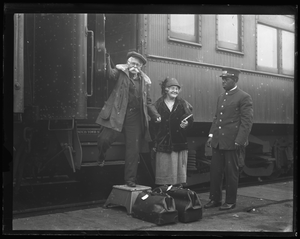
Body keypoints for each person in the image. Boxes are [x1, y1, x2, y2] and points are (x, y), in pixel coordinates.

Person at [95, 51, 161, 187]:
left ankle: (130, 180)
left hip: (135, 117)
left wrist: (155, 115)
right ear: (127, 63)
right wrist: (106, 57)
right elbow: (108, 74)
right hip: (117, 113)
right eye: (132, 63)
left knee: (133, 150)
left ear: (141, 67)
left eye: (137, 64)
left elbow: (147, 101)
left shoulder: (144, 81)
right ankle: (101, 156)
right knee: (104, 139)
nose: (134, 66)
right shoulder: (120, 74)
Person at [204, 67, 253, 210]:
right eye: (223, 79)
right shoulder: (221, 96)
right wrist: (211, 135)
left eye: (227, 79)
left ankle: (230, 201)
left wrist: (240, 140)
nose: (223, 82)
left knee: (231, 172)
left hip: (232, 142)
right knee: (215, 172)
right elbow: (216, 118)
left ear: (235, 80)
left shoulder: (244, 97)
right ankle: (215, 200)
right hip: (218, 141)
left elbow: (247, 122)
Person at [150, 77, 193, 186]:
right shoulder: (158, 105)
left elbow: (190, 119)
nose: (175, 91)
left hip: (179, 144)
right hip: (163, 144)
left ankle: (177, 196)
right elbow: (153, 127)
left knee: (178, 179)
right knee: (164, 177)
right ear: (166, 90)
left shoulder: (183, 103)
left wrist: (186, 124)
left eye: (177, 89)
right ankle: (166, 196)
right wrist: (155, 142)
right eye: (172, 88)